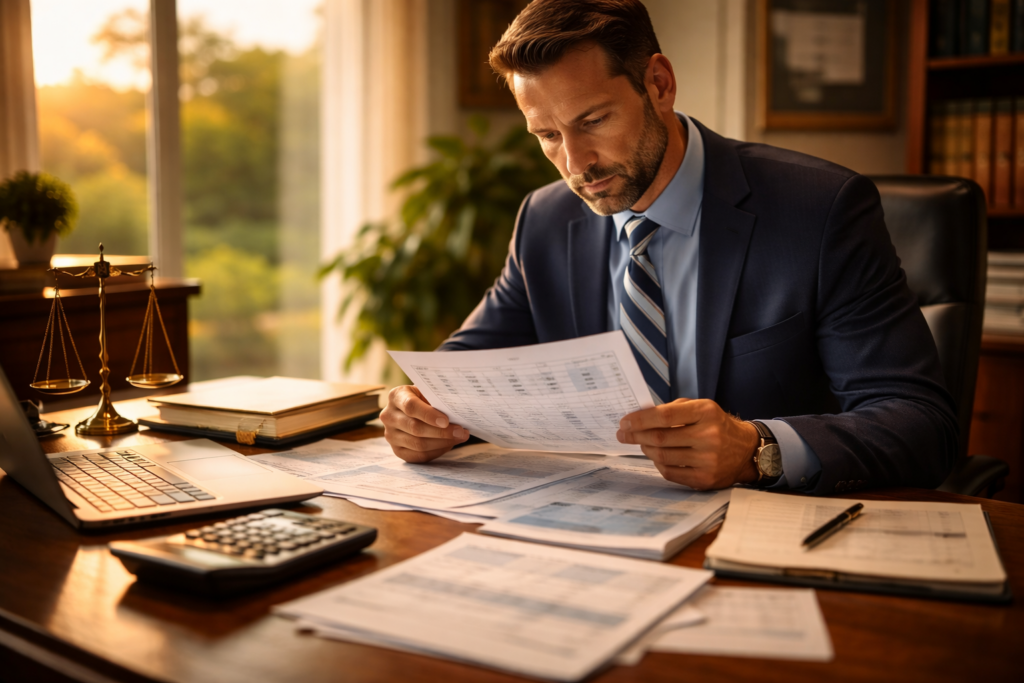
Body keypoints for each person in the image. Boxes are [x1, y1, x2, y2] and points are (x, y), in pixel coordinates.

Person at [380, 0, 957, 496]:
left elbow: (921, 425)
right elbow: (460, 374)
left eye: (594, 120)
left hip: (761, 532)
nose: (576, 164)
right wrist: (418, 413)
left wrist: (757, 448)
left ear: (658, 83)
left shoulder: (821, 210)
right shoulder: (545, 220)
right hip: (588, 525)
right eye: (548, 136)